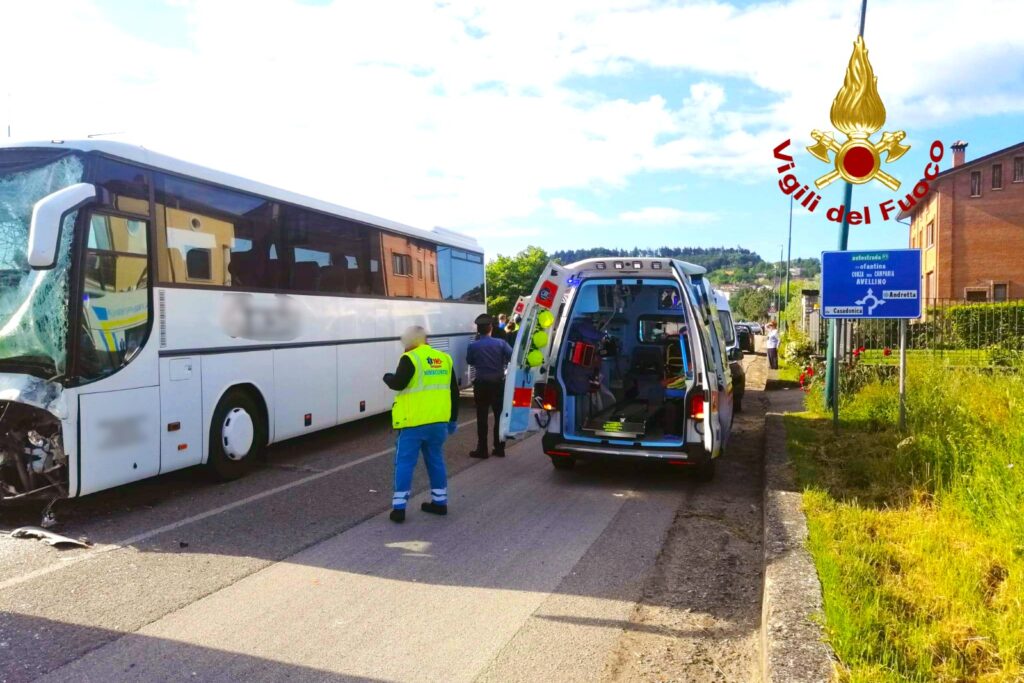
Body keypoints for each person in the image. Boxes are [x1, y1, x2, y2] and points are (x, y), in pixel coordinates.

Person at [382, 325, 460, 523]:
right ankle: (440, 502)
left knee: (405, 463)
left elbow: (398, 383)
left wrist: (387, 377)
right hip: (439, 423)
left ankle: (399, 509)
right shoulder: (444, 359)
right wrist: (452, 420)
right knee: (435, 460)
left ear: (408, 343)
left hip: (414, 422)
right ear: (426, 340)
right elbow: (454, 392)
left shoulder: (410, 358)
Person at [466, 316, 513, 458]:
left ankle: (482, 449)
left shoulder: (473, 346)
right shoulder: (501, 343)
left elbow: (470, 361)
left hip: (481, 384)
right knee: (499, 416)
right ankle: (499, 448)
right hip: (498, 383)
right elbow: (512, 356)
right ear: (491, 328)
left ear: (478, 331)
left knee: (482, 417)